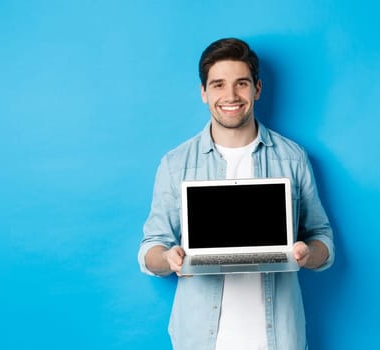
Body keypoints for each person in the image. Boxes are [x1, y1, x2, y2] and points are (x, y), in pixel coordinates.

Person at [137, 38, 335, 349]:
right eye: (218, 85)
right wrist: (167, 258)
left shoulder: (292, 158)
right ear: (204, 93)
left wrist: (308, 254)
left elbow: (322, 238)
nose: (230, 96)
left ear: (257, 88)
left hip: (278, 338)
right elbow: (151, 249)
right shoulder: (175, 164)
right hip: (200, 339)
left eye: (241, 83)